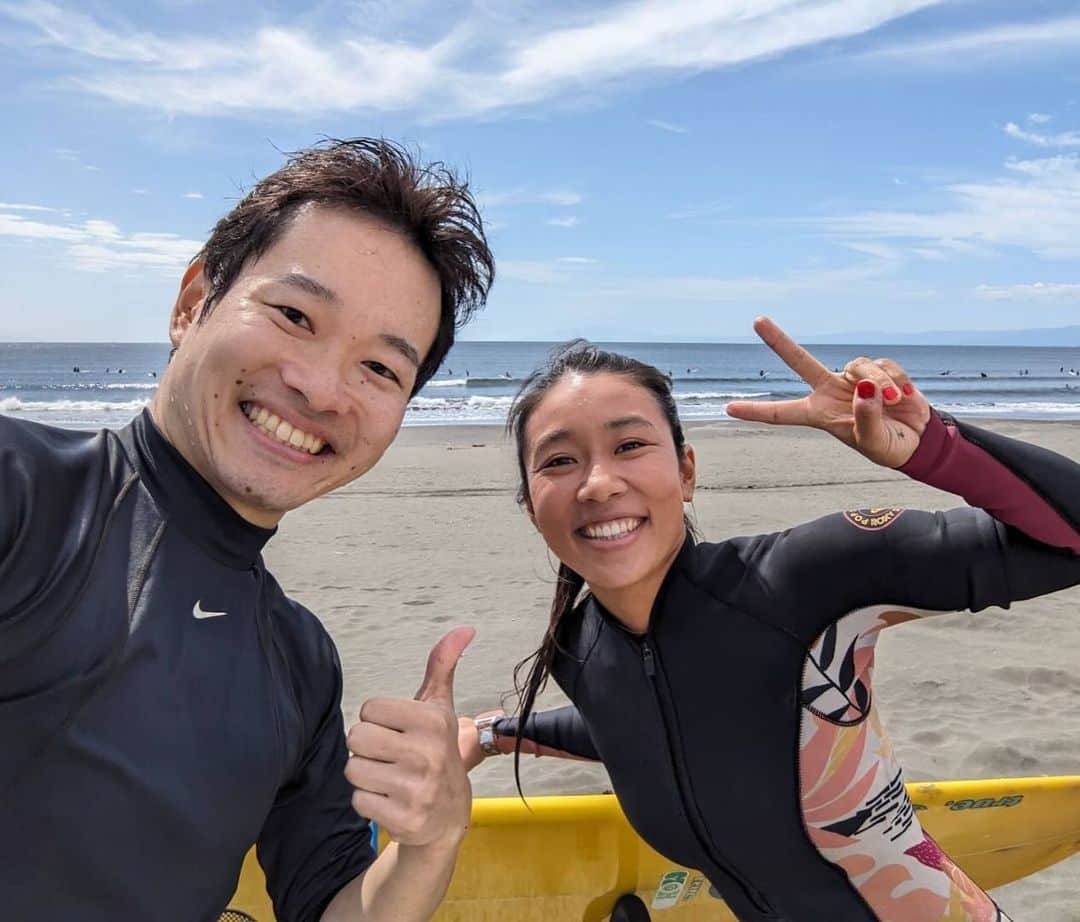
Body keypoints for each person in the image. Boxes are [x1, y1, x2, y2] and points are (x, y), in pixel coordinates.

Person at [0, 138, 494, 921]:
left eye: (380, 369)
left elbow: (332, 907)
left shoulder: (299, 662)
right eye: (296, 315)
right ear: (193, 302)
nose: (321, 388)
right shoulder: (24, 495)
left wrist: (432, 840)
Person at [461, 318, 1079, 922]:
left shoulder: (804, 580)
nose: (597, 484)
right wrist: (491, 734)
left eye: (630, 446)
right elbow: (639, 726)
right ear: (530, 502)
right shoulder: (579, 647)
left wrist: (935, 448)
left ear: (686, 473)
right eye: (559, 461)